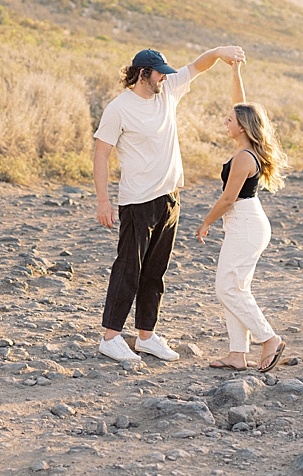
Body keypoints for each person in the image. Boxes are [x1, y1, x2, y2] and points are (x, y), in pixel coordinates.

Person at [93, 45, 246, 363]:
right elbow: (101, 155)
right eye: (159, 72)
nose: (165, 77)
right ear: (142, 73)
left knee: (155, 272)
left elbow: (197, 66)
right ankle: (111, 337)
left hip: (169, 198)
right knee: (128, 269)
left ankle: (146, 336)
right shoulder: (119, 108)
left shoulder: (168, 91)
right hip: (137, 201)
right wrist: (103, 201)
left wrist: (220, 52)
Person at [195, 59, 288, 372]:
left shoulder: (243, 158)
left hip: (246, 225)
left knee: (227, 288)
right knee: (236, 288)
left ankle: (269, 339)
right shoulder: (248, 150)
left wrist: (206, 222)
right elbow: (241, 105)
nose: (225, 122)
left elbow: (227, 198)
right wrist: (235, 72)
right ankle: (237, 355)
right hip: (246, 224)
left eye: (229, 119)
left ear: (242, 127)